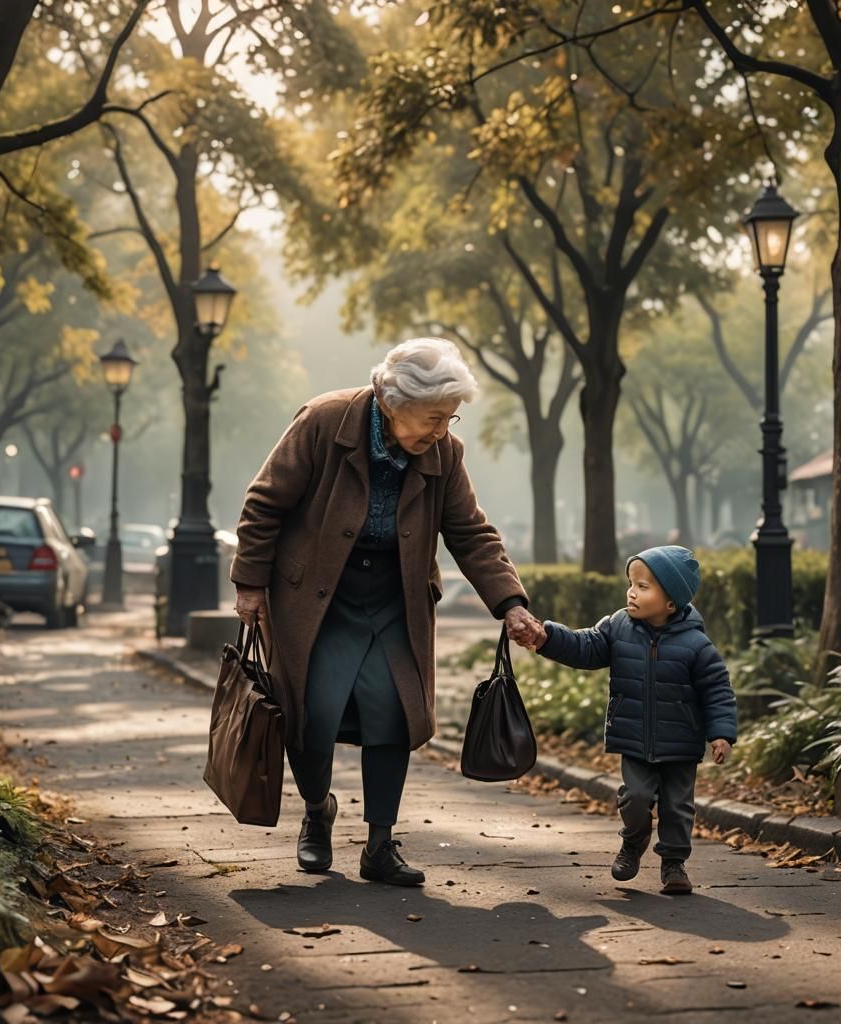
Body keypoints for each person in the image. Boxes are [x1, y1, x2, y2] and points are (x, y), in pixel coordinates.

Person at [231, 338, 539, 886]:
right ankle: (316, 812)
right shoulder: (325, 421)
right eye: (433, 417)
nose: (441, 430)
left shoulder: (445, 452)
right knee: (312, 714)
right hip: (320, 599)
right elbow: (264, 503)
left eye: (450, 417)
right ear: (391, 400)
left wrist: (510, 602)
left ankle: (379, 844)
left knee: (392, 715)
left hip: (395, 598)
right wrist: (250, 583)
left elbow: (470, 532)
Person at [511, 546, 738, 894]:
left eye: (644, 586)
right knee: (634, 797)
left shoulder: (697, 645)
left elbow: (717, 690)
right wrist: (547, 637)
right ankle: (633, 842)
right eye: (631, 583)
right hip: (634, 739)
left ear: (671, 603)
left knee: (678, 807)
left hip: (681, 742)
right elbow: (585, 646)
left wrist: (721, 734)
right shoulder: (618, 627)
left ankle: (674, 864)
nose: (632, 591)